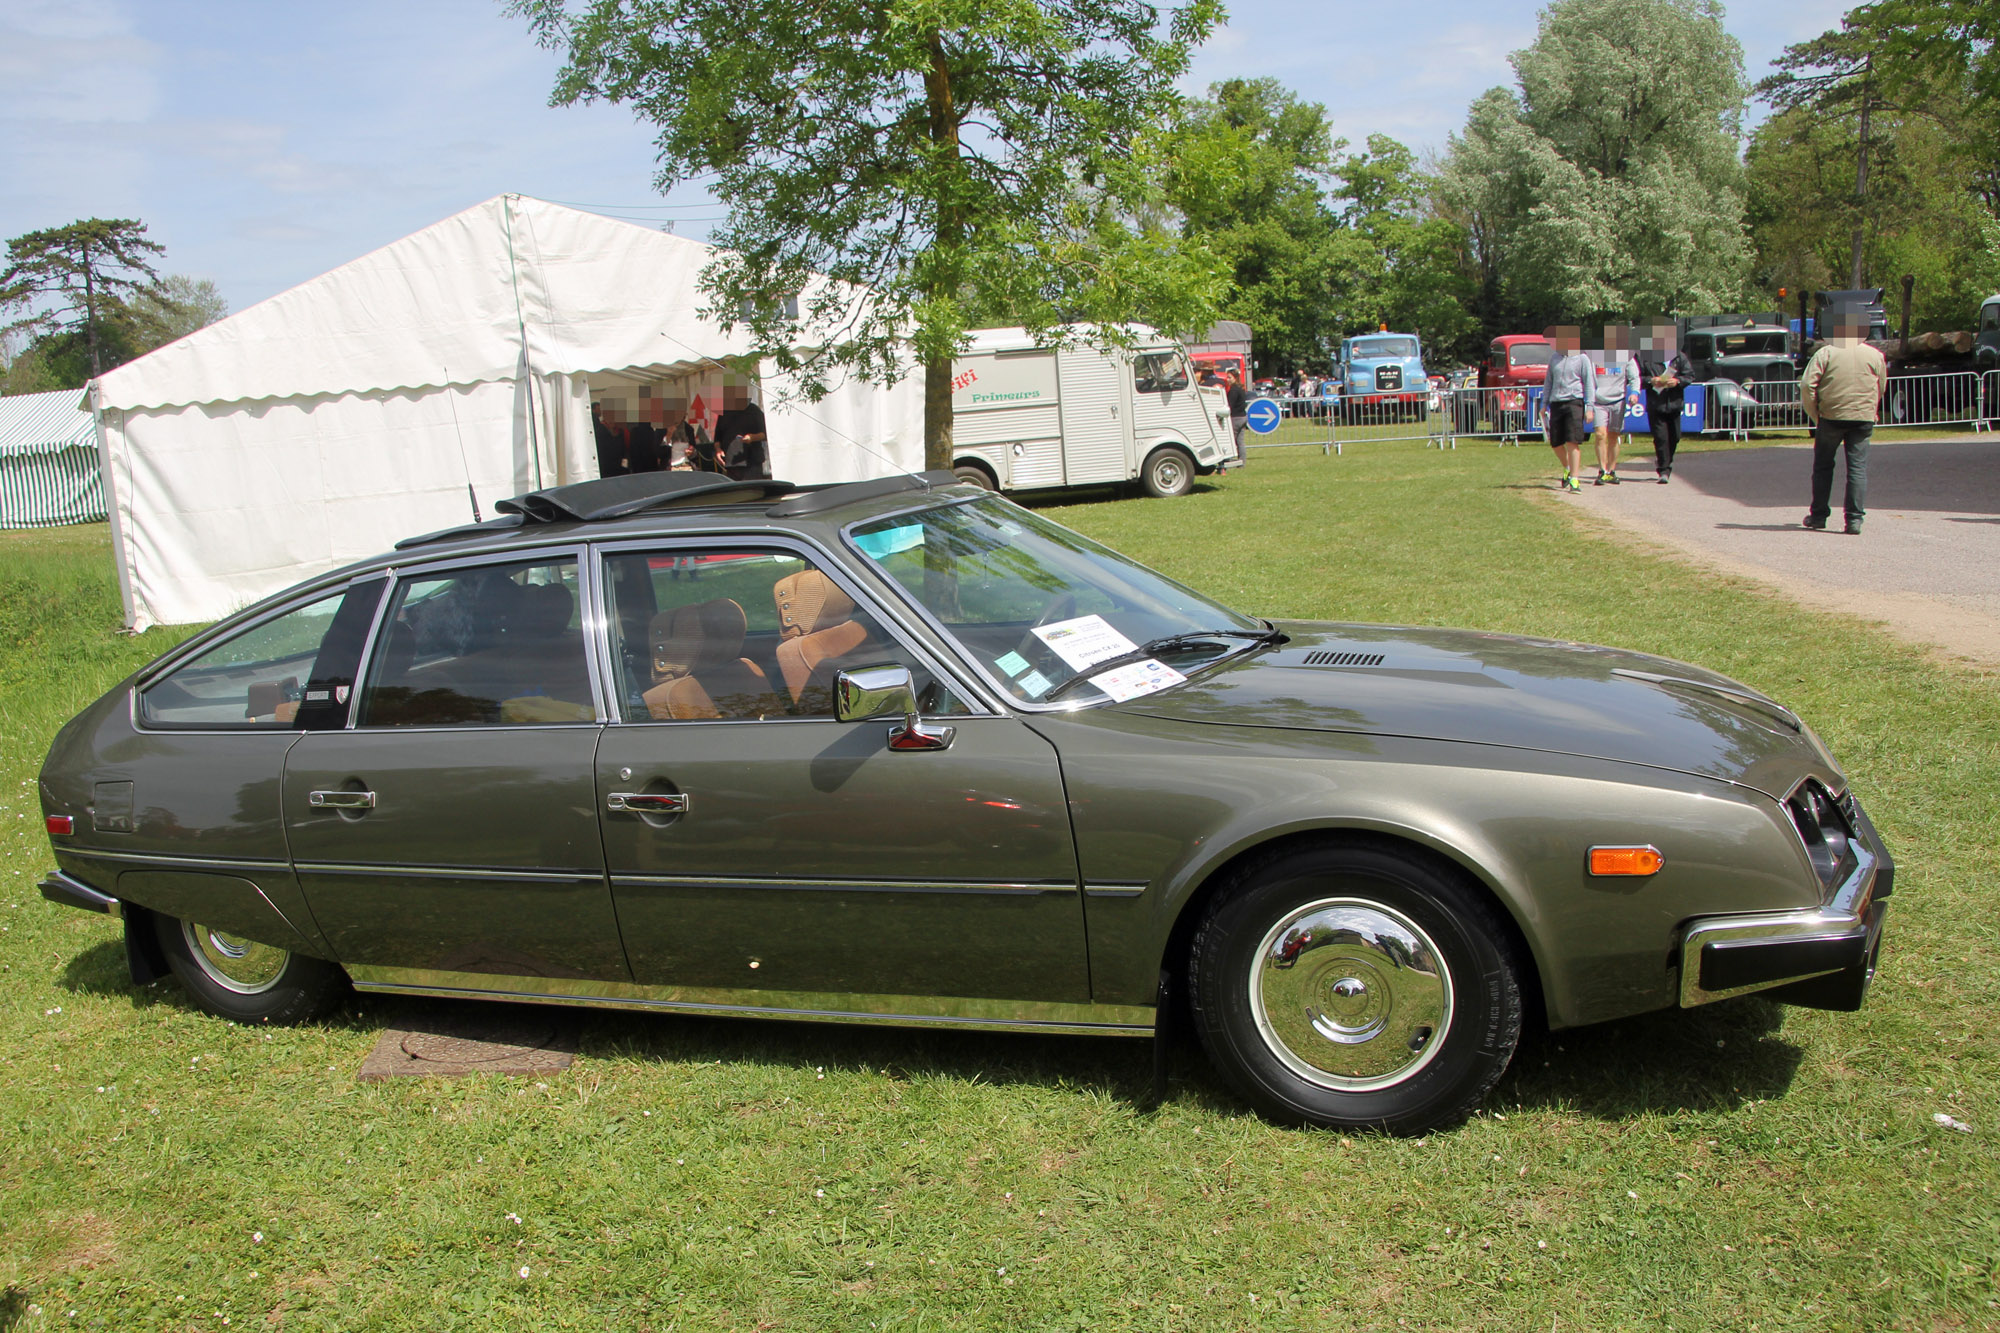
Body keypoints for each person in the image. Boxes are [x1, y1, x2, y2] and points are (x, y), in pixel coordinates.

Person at [1799, 310, 1888, 534]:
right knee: (1857, 469)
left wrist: (1815, 414)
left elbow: (1807, 385)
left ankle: (1819, 516)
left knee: (1823, 467)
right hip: (1862, 417)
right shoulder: (1875, 355)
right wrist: (1871, 407)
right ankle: (1854, 519)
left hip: (1831, 415)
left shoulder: (1826, 353)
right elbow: (1881, 386)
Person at [1636, 323, 1695, 483]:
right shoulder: (1645, 358)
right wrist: (1650, 381)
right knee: (1661, 438)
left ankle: (1666, 461)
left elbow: (1689, 375)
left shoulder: (1679, 357)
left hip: (1674, 404)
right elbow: (1637, 378)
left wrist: (1677, 381)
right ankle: (1664, 469)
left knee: (1674, 437)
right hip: (1656, 405)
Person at [1542, 325, 1593, 493]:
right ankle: (1567, 468)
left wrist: (1589, 406)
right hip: (1556, 403)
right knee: (1555, 443)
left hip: (1574, 402)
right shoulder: (1554, 358)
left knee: (1572, 441)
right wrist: (1544, 404)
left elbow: (1589, 384)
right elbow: (1548, 382)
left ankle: (1575, 480)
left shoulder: (1582, 358)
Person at [1591, 325, 1642, 485]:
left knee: (1614, 436)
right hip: (1599, 401)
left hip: (1618, 401)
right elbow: (1587, 378)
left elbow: (1635, 378)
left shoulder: (1627, 358)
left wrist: (1634, 393)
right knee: (1600, 434)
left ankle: (1611, 470)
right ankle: (1602, 470)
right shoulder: (1594, 358)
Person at [713, 383, 771, 480]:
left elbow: (765, 433)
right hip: (731, 463)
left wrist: (752, 437)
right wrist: (718, 450)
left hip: (751, 462)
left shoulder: (753, 410)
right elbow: (717, 438)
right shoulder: (724, 412)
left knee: (752, 491)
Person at [591, 402, 629, 478]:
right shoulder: (600, 430)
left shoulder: (620, 430)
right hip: (606, 468)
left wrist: (625, 465)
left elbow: (624, 449)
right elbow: (600, 451)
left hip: (620, 468)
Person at [1224, 371, 1248, 468]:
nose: (1227, 379)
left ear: (1235, 378)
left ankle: (1228, 460)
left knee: (1231, 439)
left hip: (1235, 418)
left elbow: (1230, 405)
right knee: (1240, 441)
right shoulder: (1241, 388)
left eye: (1229, 377)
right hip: (1243, 417)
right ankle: (1242, 462)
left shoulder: (1233, 390)